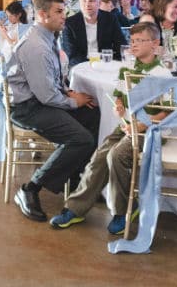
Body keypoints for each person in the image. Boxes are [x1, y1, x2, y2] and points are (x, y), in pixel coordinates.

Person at [49, 22, 170, 233]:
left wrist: (143, 125)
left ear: (155, 44)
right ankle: (75, 209)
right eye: (132, 41)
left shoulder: (162, 74)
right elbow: (119, 97)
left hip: (151, 131)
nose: (133, 45)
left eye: (140, 41)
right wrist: (120, 106)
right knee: (98, 158)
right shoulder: (127, 69)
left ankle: (121, 211)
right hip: (126, 128)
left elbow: (169, 112)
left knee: (116, 156)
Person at [8, 0, 100, 222]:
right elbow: (46, 96)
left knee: (92, 114)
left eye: (63, 11)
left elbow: (50, 82)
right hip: (28, 107)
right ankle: (30, 188)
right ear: (42, 14)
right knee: (81, 139)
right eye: (59, 12)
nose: (64, 16)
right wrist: (72, 101)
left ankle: (76, 176)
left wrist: (69, 93)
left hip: (41, 99)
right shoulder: (36, 46)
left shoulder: (48, 36)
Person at [61, 0, 126, 68]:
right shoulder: (70, 23)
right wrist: (91, 65)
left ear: (99, 3)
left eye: (91, 1)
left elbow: (121, 44)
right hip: (80, 66)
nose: (87, 4)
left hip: (106, 64)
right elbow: (71, 55)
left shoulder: (110, 19)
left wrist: (113, 64)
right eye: (84, 1)